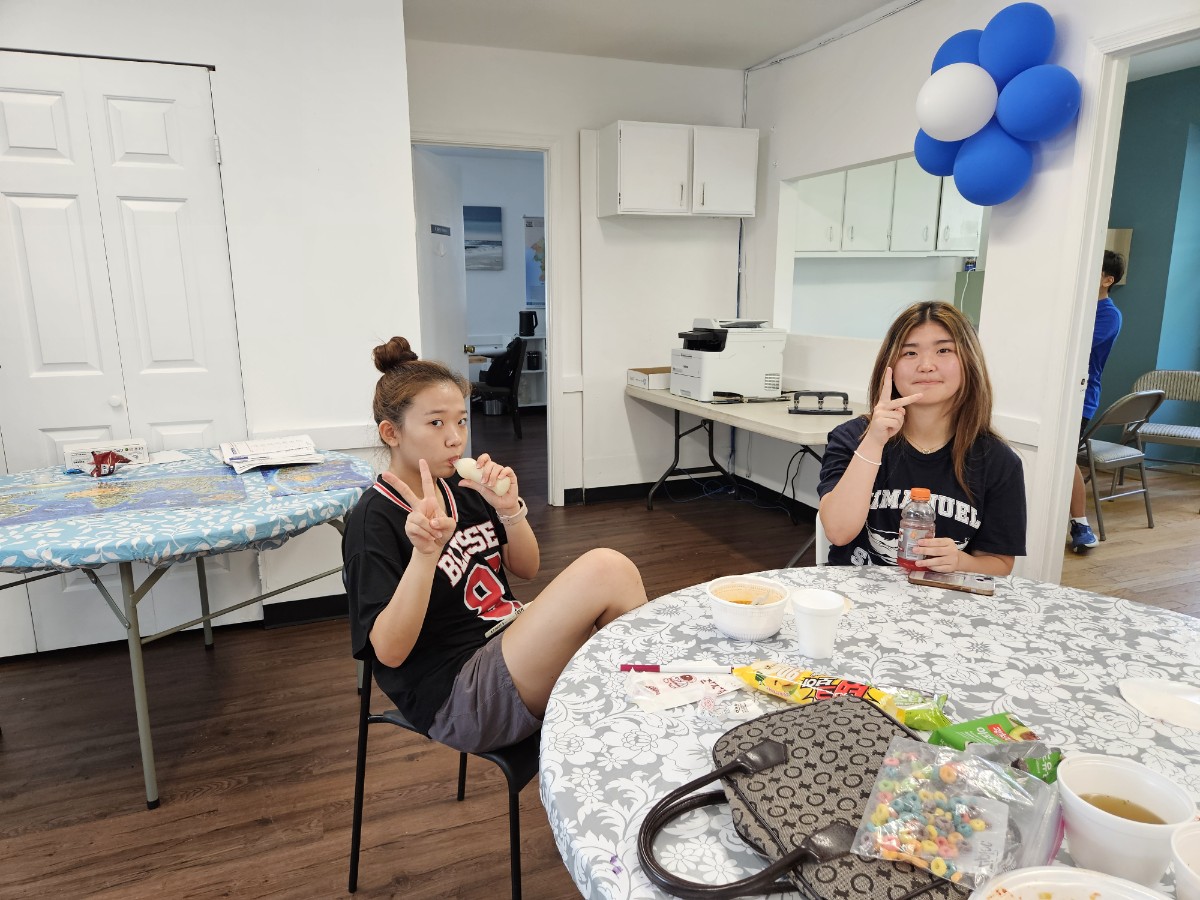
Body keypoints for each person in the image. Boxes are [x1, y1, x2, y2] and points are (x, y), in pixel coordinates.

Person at [343, 337, 647, 753]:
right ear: (391, 432)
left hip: (509, 638)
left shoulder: (464, 488)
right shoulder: (373, 519)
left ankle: (646, 711)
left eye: (461, 421)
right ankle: (647, 708)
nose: (455, 438)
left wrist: (509, 511)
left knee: (616, 581)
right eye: (436, 423)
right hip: (458, 693)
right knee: (605, 570)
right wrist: (425, 556)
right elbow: (390, 653)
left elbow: (527, 568)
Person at [817, 301, 1026, 575]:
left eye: (944, 350)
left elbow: (999, 564)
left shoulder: (998, 461)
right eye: (910, 353)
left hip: (944, 596)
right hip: (854, 593)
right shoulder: (852, 438)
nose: (926, 365)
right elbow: (838, 532)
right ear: (889, 365)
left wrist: (959, 562)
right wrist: (874, 442)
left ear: (969, 362)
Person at [1067, 250, 1125, 551]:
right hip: (1056, 395)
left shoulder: (1109, 315)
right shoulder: (1075, 306)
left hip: (1081, 398)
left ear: (1107, 280)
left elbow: (1075, 347)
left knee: (1064, 461)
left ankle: (1080, 523)